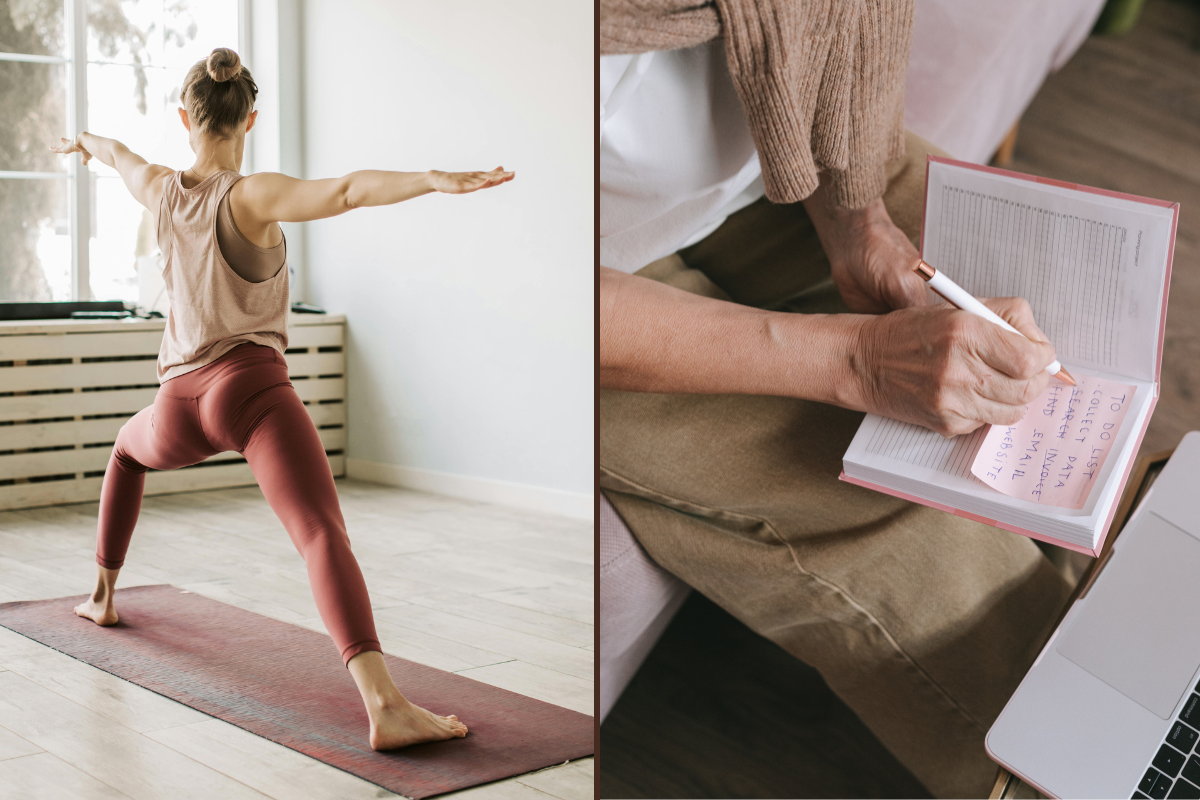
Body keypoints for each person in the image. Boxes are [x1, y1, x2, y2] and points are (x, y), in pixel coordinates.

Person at [599, 1, 1072, 796]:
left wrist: (860, 220)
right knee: (881, 501)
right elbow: (493, 278)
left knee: (1046, 315)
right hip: (556, 298)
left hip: (774, 156)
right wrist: (853, 361)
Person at [51, 46, 513, 751]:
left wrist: (83, 143)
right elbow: (349, 189)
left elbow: (115, 151)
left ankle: (102, 598)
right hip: (250, 391)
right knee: (320, 532)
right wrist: (430, 179)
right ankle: (383, 704)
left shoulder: (159, 188)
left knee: (125, 451)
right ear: (251, 120)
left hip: (176, 403)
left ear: (185, 118)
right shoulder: (250, 195)